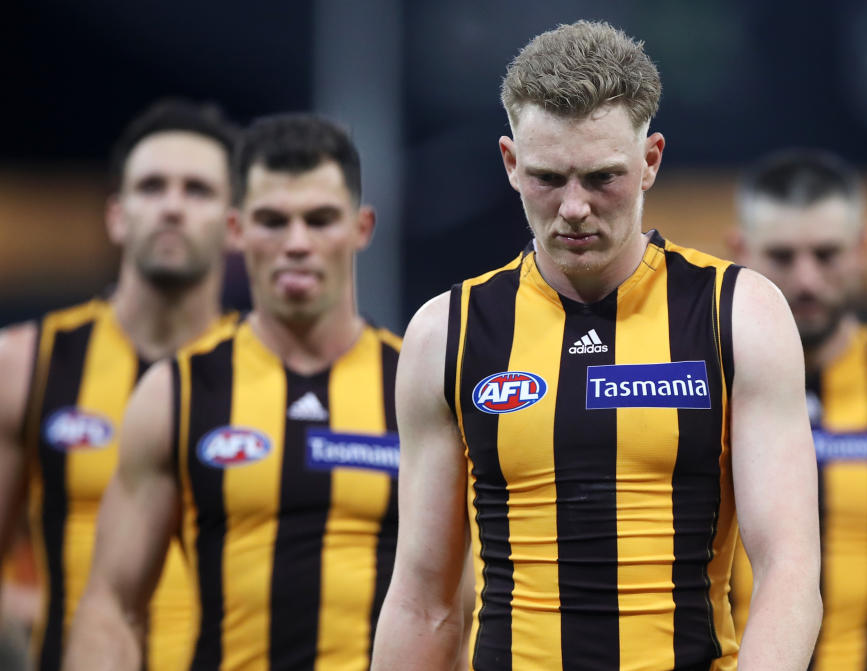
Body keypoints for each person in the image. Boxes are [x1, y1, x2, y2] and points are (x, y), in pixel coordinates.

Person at [372, 20, 822, 671]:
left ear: (650, 161)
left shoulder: (738, 313)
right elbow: (424, 601)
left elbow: (789, 572)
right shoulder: (449, 330)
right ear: (509, 163)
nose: (575, 207)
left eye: (601, 177)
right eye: (548, 178)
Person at [62, 114, 401, 671]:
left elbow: (460, 605)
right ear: (237, 230)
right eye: (272, 221)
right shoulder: (178, 391)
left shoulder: (416, 383)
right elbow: (111, 605)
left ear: (361, 228)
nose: (297, 243)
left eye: (320, 220)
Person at [0, 99, 238, 671]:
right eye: (152, 187)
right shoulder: (24, 363)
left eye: (197, 190)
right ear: (116, 214)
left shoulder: (276, 375)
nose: (173, 207)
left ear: (234, 224)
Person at [727, 149, 867, 671]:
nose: (807, 280)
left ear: (864, 249)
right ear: (739, 251)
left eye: (827, 254)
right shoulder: (701, 388)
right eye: (783, 256)